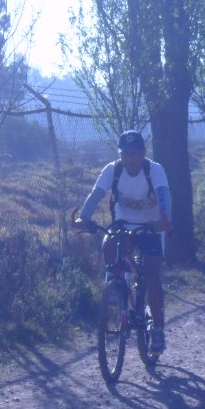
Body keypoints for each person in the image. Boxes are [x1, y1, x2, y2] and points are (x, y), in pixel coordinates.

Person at [74, 130, 173, 353]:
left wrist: (165, 219)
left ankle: (158, 330)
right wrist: (84, 217)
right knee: (109, 244)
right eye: (124, 154)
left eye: (133, 154)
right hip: (123, 224)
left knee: (152, 274)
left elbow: (164, 195)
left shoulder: (154, 170)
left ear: (143, 153)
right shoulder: (113, 170)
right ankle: (119, 290)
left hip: (151, 226)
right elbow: (96, 194)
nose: (128, 159)